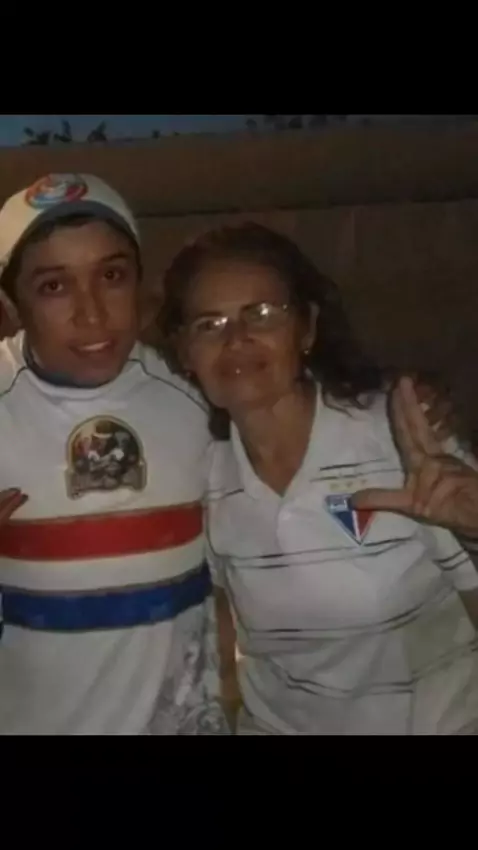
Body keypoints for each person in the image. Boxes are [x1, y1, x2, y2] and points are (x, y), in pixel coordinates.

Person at [159, 220, 478, 735]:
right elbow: (218, 616)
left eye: (262, 314)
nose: (236, 339)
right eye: (209, 324)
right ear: (184, 353)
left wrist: (473, 530)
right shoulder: (202, 469)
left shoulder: (401, 434)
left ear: (306, 328)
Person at [0, 172, 228, 735]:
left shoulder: (199, 387)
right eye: (54, 286)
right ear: (10, 305)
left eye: (111, 276)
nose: (93, 313)